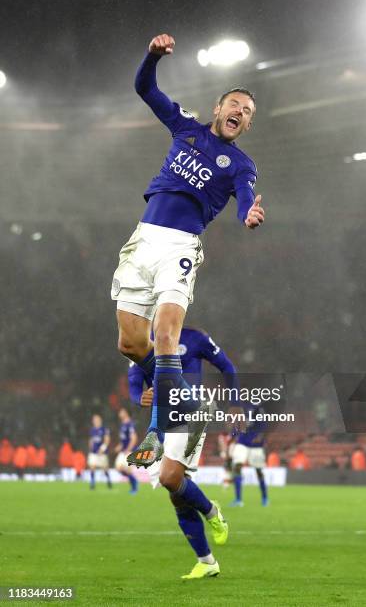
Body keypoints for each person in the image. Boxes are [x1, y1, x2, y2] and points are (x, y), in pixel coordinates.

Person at [111, 33, 263, 579]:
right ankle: (173, 415)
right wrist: (151, 55)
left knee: (169, 333)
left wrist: (248, 213)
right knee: (131, 343)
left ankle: (159, 426)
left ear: (246, 125)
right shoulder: (186, 128)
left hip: (180, 247)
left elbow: (247, 195)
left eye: (247, 113)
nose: (239, 115)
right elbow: (143, 87)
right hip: (142, 238)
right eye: (235, 106)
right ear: (219, 107)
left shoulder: (241, 164)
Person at [128, 326, 237, 579]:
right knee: (176, 493)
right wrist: (139, 397)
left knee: (169, 478)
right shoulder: (143, 341)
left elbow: (227, 367)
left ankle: (211, 511)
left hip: (191, 413)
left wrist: (235, 403)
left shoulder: (194, 338)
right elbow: (134, 383)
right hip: (163, 420)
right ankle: (207, 561)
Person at [229, 404, 269, 507]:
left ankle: (265, 498)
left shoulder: (259, 408)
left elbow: (264, 425)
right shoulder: (241, 407)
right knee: (237, 468)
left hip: (255, 444)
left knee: (259, 471)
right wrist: (234, 436)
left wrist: (260, 437)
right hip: (242, 442)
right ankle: (238, 500)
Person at [114, 408, 138, 494]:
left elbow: (134, 438)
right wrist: (119, 447)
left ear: (126, 413)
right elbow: (123, 440)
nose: (120, 414)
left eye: (121, 412)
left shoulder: (130, 424)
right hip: (123, 451)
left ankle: (134, 487)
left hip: (129, 451)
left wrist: (129, 449)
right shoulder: (122, 425)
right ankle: (134, 481)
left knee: (127, 469)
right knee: (118, 468)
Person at [87, 414, 112, 490]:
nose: (95, 421)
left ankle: (108, 481)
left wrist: (102, 449)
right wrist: (90, 446)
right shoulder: (92, 430)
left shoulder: (104, 429)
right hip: (94, 452)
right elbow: (91, 440)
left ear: (100, 420)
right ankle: (92, 483)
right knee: (92, 466)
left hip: (102, 453)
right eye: (94, 420)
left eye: (96, 420)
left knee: (105, 469)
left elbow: (107, 440)